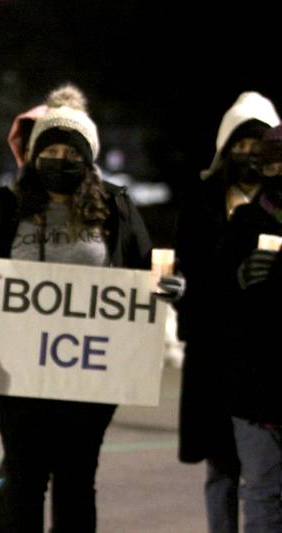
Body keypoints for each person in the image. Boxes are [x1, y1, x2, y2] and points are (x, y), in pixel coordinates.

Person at [0, 84, 172, 532]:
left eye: (71, 153)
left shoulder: (116, 206)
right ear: (33, 156)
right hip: (15, 375)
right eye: (49, 150)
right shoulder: (2, 208)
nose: (60, 159)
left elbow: (147, 275)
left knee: (76, 478)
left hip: (91, 375)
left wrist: (169, 286)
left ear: (87, 158)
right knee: (24, 476)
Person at [173, 91, 279, 533]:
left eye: (258, 144)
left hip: (259, 355)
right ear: (225, 148)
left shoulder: (275, 206)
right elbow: (187, 266)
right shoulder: (202, 202)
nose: (248, 154)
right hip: (210, 352)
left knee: (264, 477)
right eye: (239, 143)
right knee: (221, 466)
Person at [220, 123, 282, 532]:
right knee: (261, 493)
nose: (274, 170)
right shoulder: (244, 222)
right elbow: (216, 300)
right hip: (257, 387)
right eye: (269, 162)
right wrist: (237, 279)